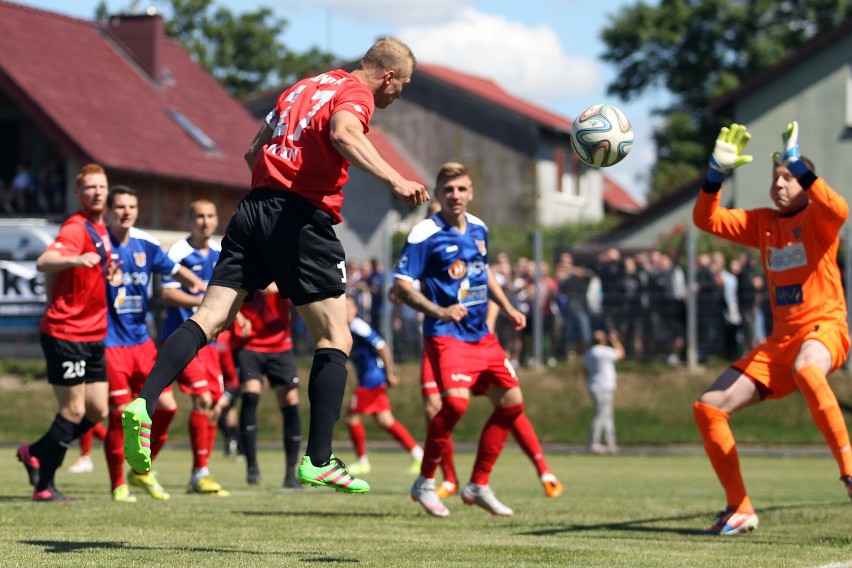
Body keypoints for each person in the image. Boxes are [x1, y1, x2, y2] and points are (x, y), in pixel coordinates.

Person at [122, 37, 428, 495]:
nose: (395, 98)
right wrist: (396, 178)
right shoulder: (357, 93)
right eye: (400, 88)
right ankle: (319, 460)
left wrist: (270, 194)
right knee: (335, 336)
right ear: (387, 75)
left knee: (210, 317)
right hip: (300, 217)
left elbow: (253, 151)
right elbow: (346, 134)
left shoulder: (300, 88)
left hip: (253, 209)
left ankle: (143, 403)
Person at [692, 121, 852, 535]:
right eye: (775, 177)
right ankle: (739, 507)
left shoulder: (819, 218)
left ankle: (849, 469)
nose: (779, 184)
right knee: (709, 406)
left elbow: (839, 208)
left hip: (825, 329)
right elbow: (705, 220)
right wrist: (715, 174)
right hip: (780, 343)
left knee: (807, 368)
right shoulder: (763, 222)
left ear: (803, 182)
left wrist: (798, 163)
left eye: (788, 178)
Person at [397, 161, 549, 518]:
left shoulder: (480, 228)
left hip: (482, 336)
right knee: (456, 406)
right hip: (446, 335)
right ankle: (425, 482)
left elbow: (484, 272)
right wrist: (440, 311)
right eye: (448, 190)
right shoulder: (423, 234)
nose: (455, 195)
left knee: (512, 404)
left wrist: (507, 307)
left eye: (462, 189)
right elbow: (401, 286)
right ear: (437, 195)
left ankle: (478, 484)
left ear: (470, 193)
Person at [100, 185, 206, 502]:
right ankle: (118, 483)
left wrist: (203, 290)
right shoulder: (98, 243)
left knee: (168, 407)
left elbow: (176, 271)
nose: (126, 212)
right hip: (111, 342)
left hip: (142, 342)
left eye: (131, 206)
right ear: (109, 211)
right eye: (120, 206)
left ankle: (142, 470)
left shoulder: (145, 244)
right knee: (121, 413)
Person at [16, 163, 115, 502]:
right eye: (89, 187)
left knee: (98, 410)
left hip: (93, 333)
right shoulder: (75, 228)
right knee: (73, 411)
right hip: (66, 334)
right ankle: (44, 485)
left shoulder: (100, 228)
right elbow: (44, 262)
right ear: (78, 193)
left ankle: (35, 450)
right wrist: (75, 260)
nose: (97, 192)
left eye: (101, 186)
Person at [159, 199, 232, 496]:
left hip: (211, 343)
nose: (205, 221)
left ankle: (198, 472)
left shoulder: (220, 252)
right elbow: (166, 293)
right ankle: (200, 472)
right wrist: (202, 303)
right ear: (190, 220)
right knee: (201, 398)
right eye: (199, 216)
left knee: (214, 405)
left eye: (210, 216)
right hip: (183, 338)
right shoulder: (179, 252)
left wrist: (236, 318)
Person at [343, 293, 423, 476]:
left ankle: (362, 461)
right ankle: (418, 454)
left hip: (372, 380)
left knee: (351, 417)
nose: (345, 311)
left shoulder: (358, 327)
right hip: (370, 379)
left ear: (355, 309)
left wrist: (390, 373)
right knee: (385, 420)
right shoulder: (346, 329)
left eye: (348, 307)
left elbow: (382, 346)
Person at [233, 283, 303, 488]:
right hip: (249, 344)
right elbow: (227, 293)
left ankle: (291, 473)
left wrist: (282, 286)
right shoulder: (245, 259)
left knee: (290, 401)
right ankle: (251, 466)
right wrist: (238, 316)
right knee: (250, 394)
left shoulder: (283, 262)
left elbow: (301, 291)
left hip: (280, 345)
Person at [584, 329, 624, 454]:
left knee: (606, 415)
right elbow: (621, 354)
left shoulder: (589, 353)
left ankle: (610, 442)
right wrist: (615, 341)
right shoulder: (604, 352)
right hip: (603, 387)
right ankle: (593, 442)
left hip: (594, 386)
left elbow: (585, 372)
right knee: (601, 416)